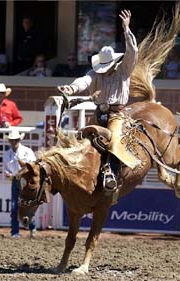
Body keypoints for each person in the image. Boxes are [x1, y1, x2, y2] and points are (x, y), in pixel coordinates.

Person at [58, 10, 138, 191]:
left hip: (117, 114)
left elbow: (133, 52)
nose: (103, 71)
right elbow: (84, 81)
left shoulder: (124, 69)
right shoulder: (95, 73)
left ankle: (112, 174)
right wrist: (71, 88)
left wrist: (126, 29)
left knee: (115, 140)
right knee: (82, 137)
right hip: (100, 112)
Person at [3, 129, 37, 238]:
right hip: (15, 182)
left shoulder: (27, 151)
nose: (13, 142)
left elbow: (33, 166)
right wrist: (9, 175)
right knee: (14, 207)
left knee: (27, 205)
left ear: (19, 140)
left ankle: (31, 227)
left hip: (25, 182)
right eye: (12, 140)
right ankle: (15, 232)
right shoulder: (7, 154)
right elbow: (6, 169)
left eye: (15, 140)